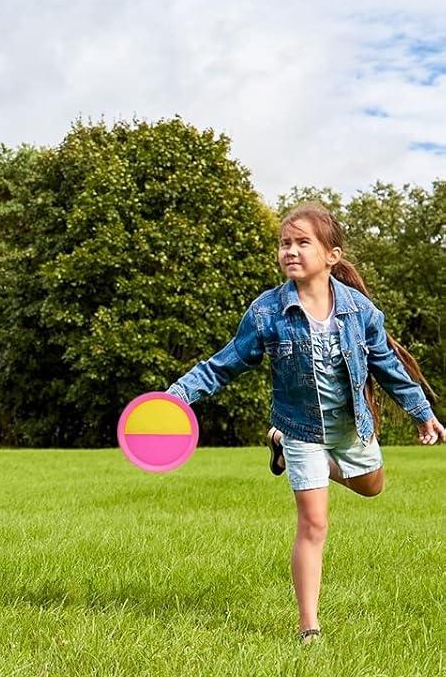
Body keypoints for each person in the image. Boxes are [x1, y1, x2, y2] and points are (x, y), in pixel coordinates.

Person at [167, 202, 443, 641]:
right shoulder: (267, 312)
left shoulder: (359, 310)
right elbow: (224, 364)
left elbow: (387, 365)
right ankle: (309, 627)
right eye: (284, 243)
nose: (290, 251)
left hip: (351, 426)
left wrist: (421, 411)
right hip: (300, 428)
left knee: (372, 487)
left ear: (332, 255)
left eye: (302, 243)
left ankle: (285, 449)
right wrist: (177, 396)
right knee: (314, 524)